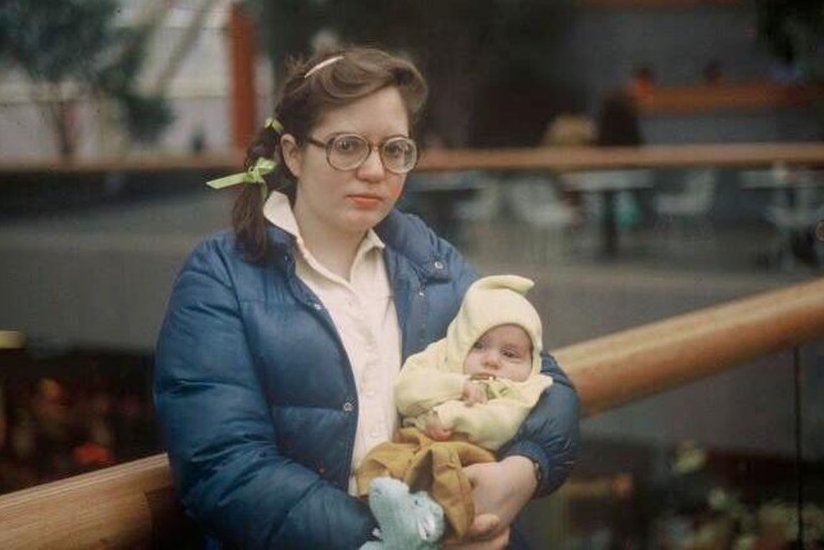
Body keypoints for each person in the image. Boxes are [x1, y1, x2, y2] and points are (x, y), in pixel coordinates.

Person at [153, 46, 579, 549]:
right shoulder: (221, 277)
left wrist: (524, 470)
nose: (376, 171)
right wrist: (406, 538)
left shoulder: (428, 258)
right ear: (293, 152)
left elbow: (543, 377)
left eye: (394, 149)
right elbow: (226, 467)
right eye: (349, 146)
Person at [356, 274, 555, 542]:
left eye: (509, 354)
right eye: (478, 345)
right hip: (411, 443)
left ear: (531, 362)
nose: (491, 360)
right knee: (379, 460)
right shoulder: (441, 356)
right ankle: (387, 526)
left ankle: (428, 529)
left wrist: (449, 416)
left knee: (453, 484)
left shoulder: (523, 389)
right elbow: (406, 390)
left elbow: (500, 424)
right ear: (461, 342)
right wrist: (457, 386)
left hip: (464, 454)